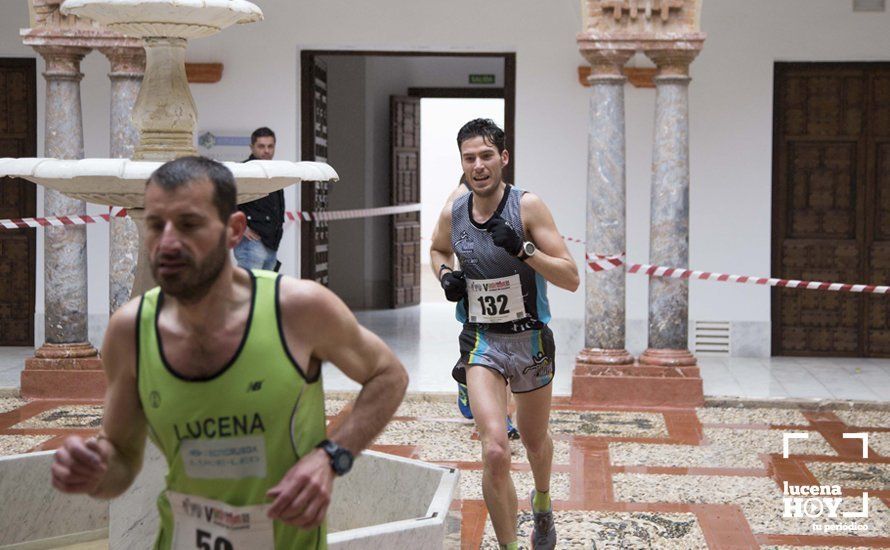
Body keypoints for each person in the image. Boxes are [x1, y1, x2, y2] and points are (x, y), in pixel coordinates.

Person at [50, 156, 408, 549]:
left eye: (189, 224)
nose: (167, 242)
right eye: (156, 225)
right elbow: (120, 459)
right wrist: (94, 470)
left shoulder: (297, 309)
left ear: (234, 229)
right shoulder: (129, 331)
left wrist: (331, 457)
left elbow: (388, 375)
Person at [430, 119, 579, 550]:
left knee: (534, 442)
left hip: (529, 340)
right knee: (494, 450)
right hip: (481, 342)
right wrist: (445, 276)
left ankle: (543, 502)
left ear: (503, 158)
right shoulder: (454, 211)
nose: (478, 166)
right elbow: (438, 247)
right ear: (462, 162)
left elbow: (570, 277)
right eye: (470, 158)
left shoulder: (527, 207)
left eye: (486, 156)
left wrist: (522, 249)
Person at [435, 178, 520, 441]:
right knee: (482, 351)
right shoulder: (457, 202)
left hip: (507, 291)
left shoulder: (512, 200)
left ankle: (504, 418)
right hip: (474, 295)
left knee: (505, 357)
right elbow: (440, 247)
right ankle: (467, 382)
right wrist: (446, 275)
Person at [234, 127, 284, 270]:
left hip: (271, 243)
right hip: (251, 243)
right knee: (249, 289)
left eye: (270, 146)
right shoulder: (243, 171)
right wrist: (242, 228)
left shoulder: (275, 172)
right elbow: (223, 200)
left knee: (264, 290)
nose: (267, 150)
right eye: (261, 146)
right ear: (252, 147)